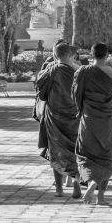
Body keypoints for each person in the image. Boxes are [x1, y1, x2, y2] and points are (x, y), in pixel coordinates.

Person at [73, 43, 112, 205]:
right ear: (107, 55)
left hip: (88, 121)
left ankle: (91, 183)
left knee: (86, 156)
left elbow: (75, 96)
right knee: (105, 157)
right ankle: (100, 196)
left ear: (91, 54)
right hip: (106, 123)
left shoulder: (82, 72)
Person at [36, 42, 81, 198]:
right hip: (74, 118)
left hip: (54, 117)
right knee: (75, 150)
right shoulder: (78, 71)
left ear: (55, 55)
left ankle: (59, 190)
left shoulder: (49, 71)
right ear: (70, 55)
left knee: (56, 151)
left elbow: (41, 95)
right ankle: (76, 185)